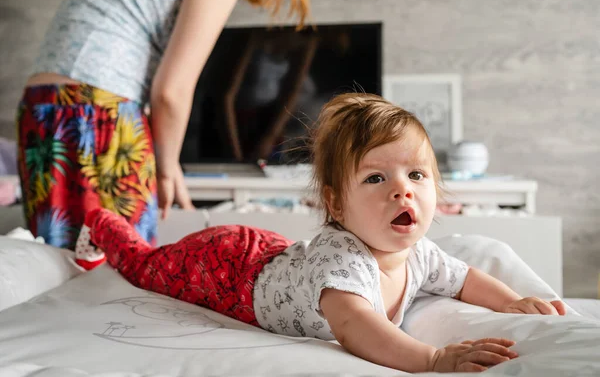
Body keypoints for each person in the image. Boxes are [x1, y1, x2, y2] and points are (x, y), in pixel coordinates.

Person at [73, 93, 567, 373]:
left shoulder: (419, 253)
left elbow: (463, 278)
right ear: (335, 203)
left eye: (416, 175)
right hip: (226, 269)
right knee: (145, 266)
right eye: (376, 178)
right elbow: (354, 327)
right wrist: (433, 358)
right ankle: (100, 221)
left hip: (274, 255)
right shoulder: (342, 261)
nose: (403, 192)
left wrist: (509, 302)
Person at [16, 0, 311, 249]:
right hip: (99, 114)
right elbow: (171, 91)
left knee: (57, 269)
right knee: (118, 275)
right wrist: (168, 167)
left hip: (41, 107)